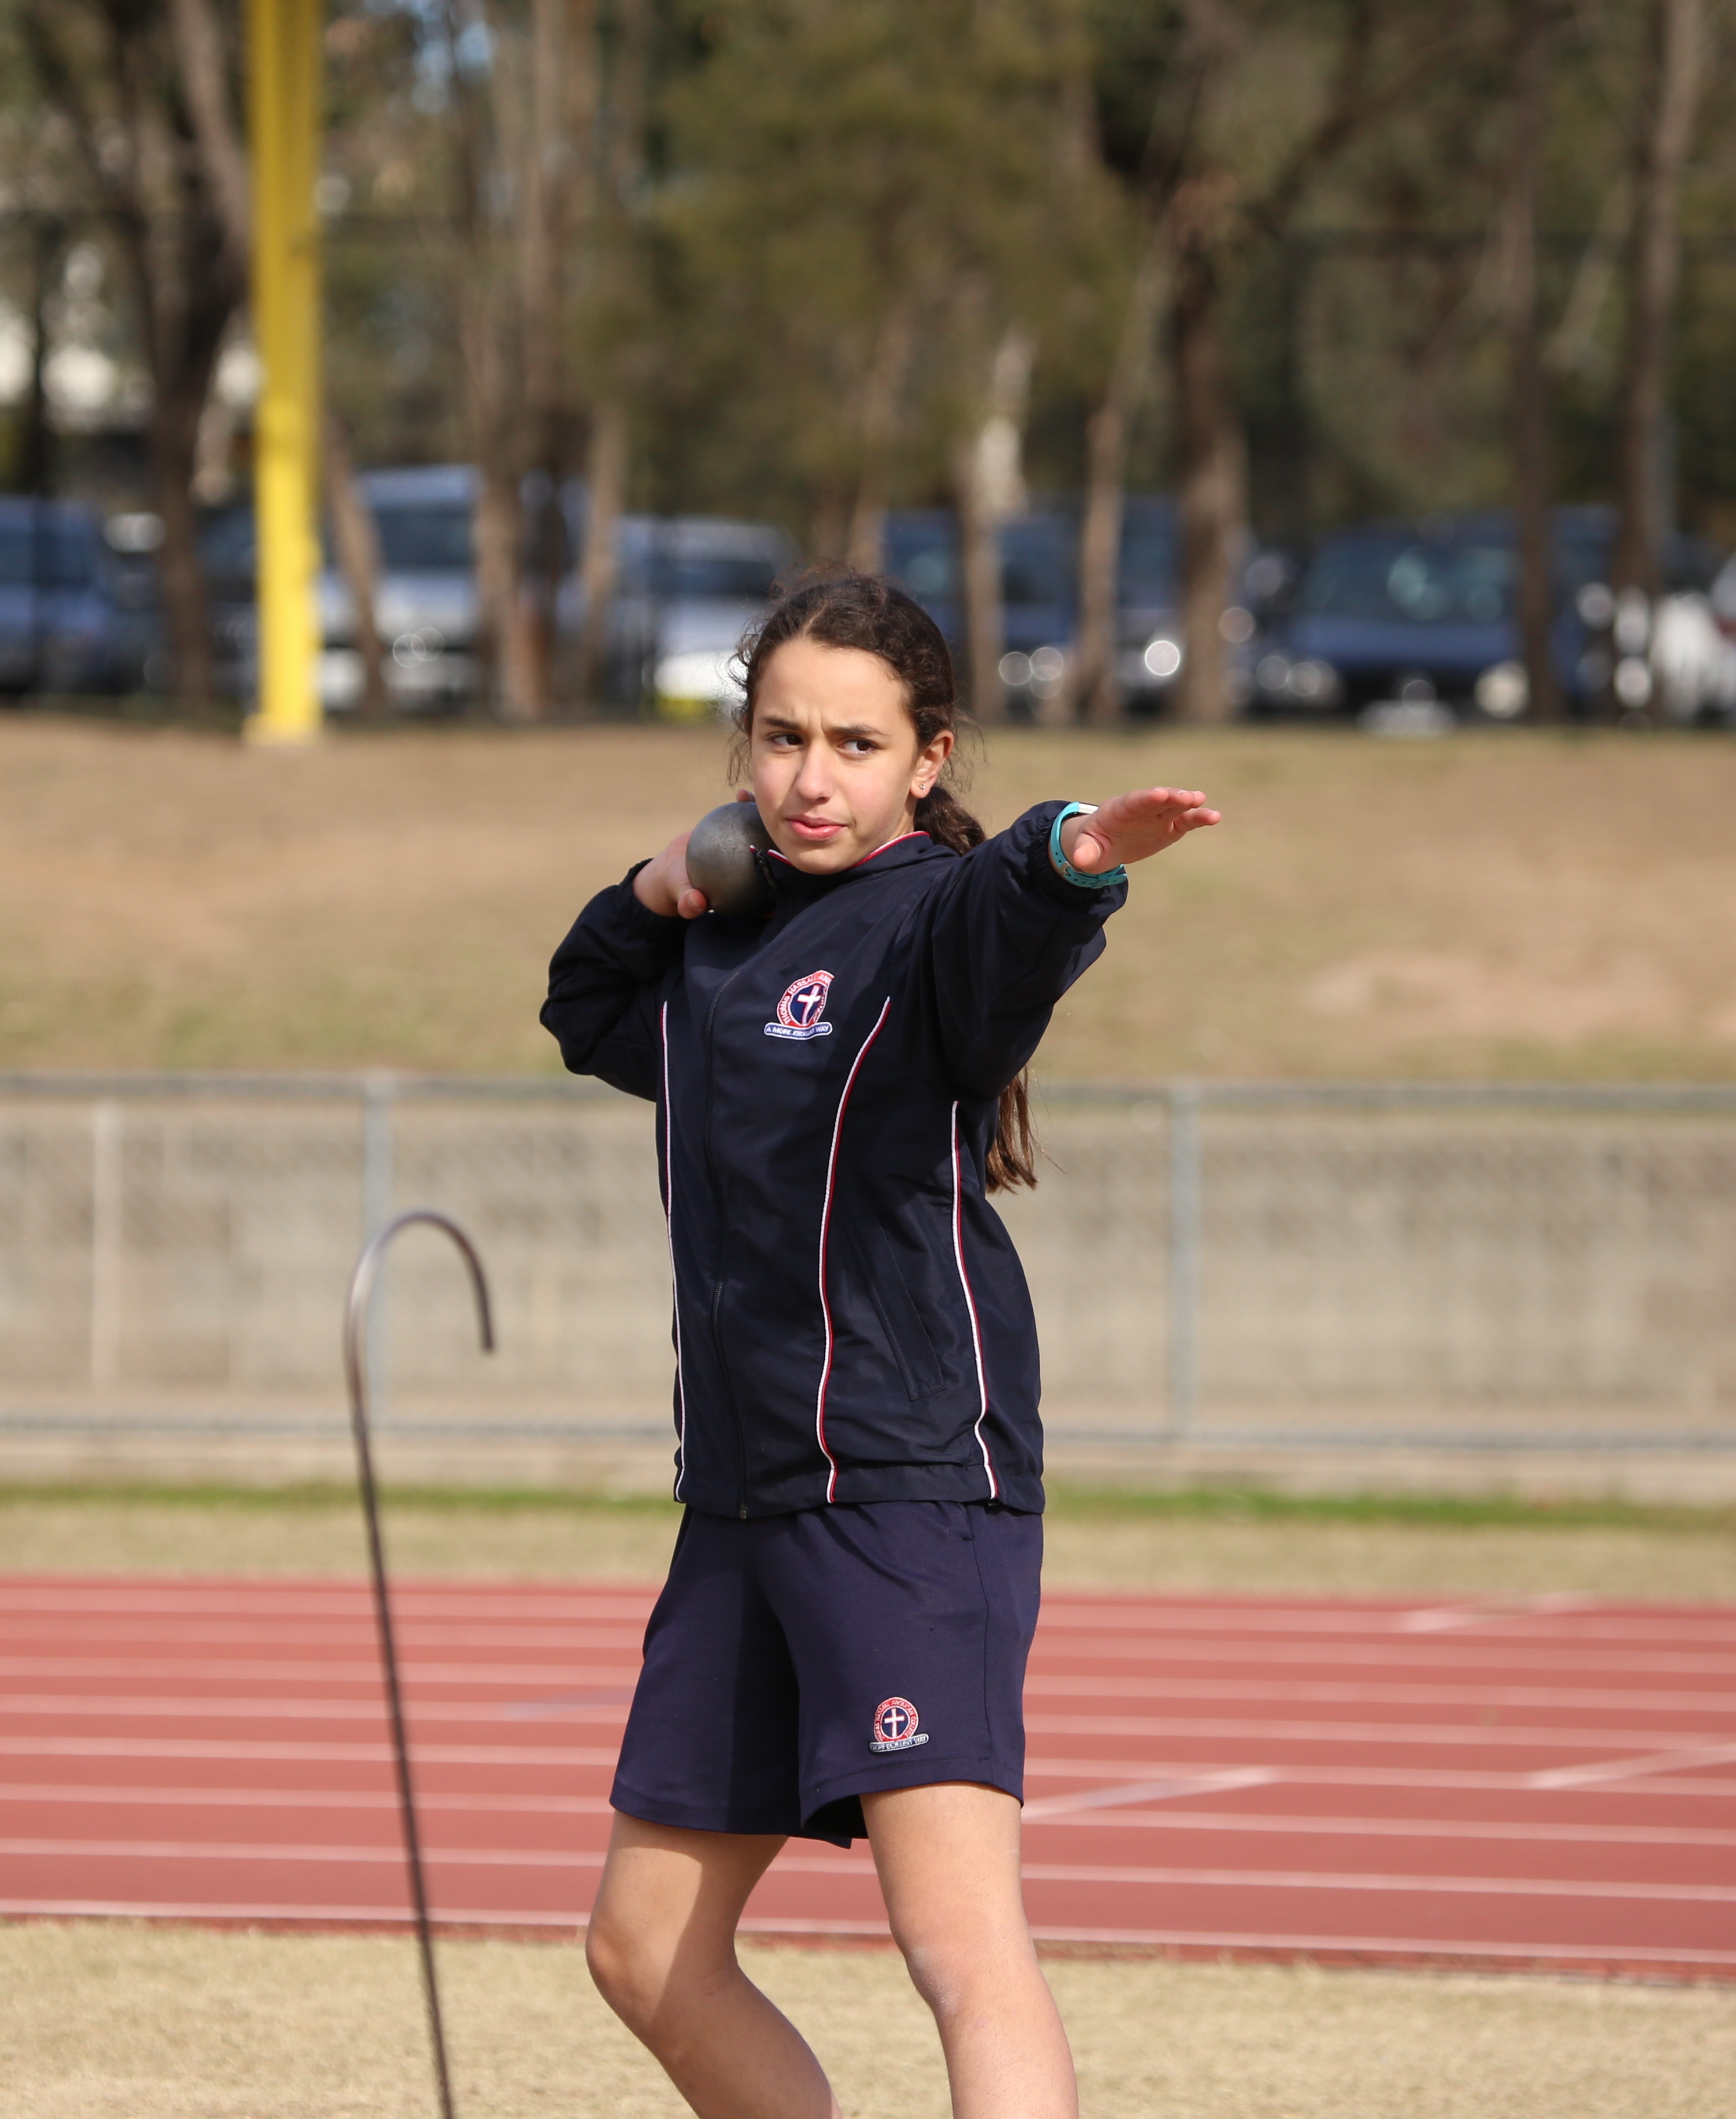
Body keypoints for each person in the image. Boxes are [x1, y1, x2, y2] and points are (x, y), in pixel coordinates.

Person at [541, 568, 1219, 2119]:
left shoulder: (932, 924)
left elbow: (1018, 914)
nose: (809, 776)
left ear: (928, 758)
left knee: (960, 1947)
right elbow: (586, 1007)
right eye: (780, 738)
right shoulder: (722, 946)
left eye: (855, 743)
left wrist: (1076, 850)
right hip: (744, 1496)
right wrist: (662, 887)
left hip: (908, 1495)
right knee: (644, 1953)